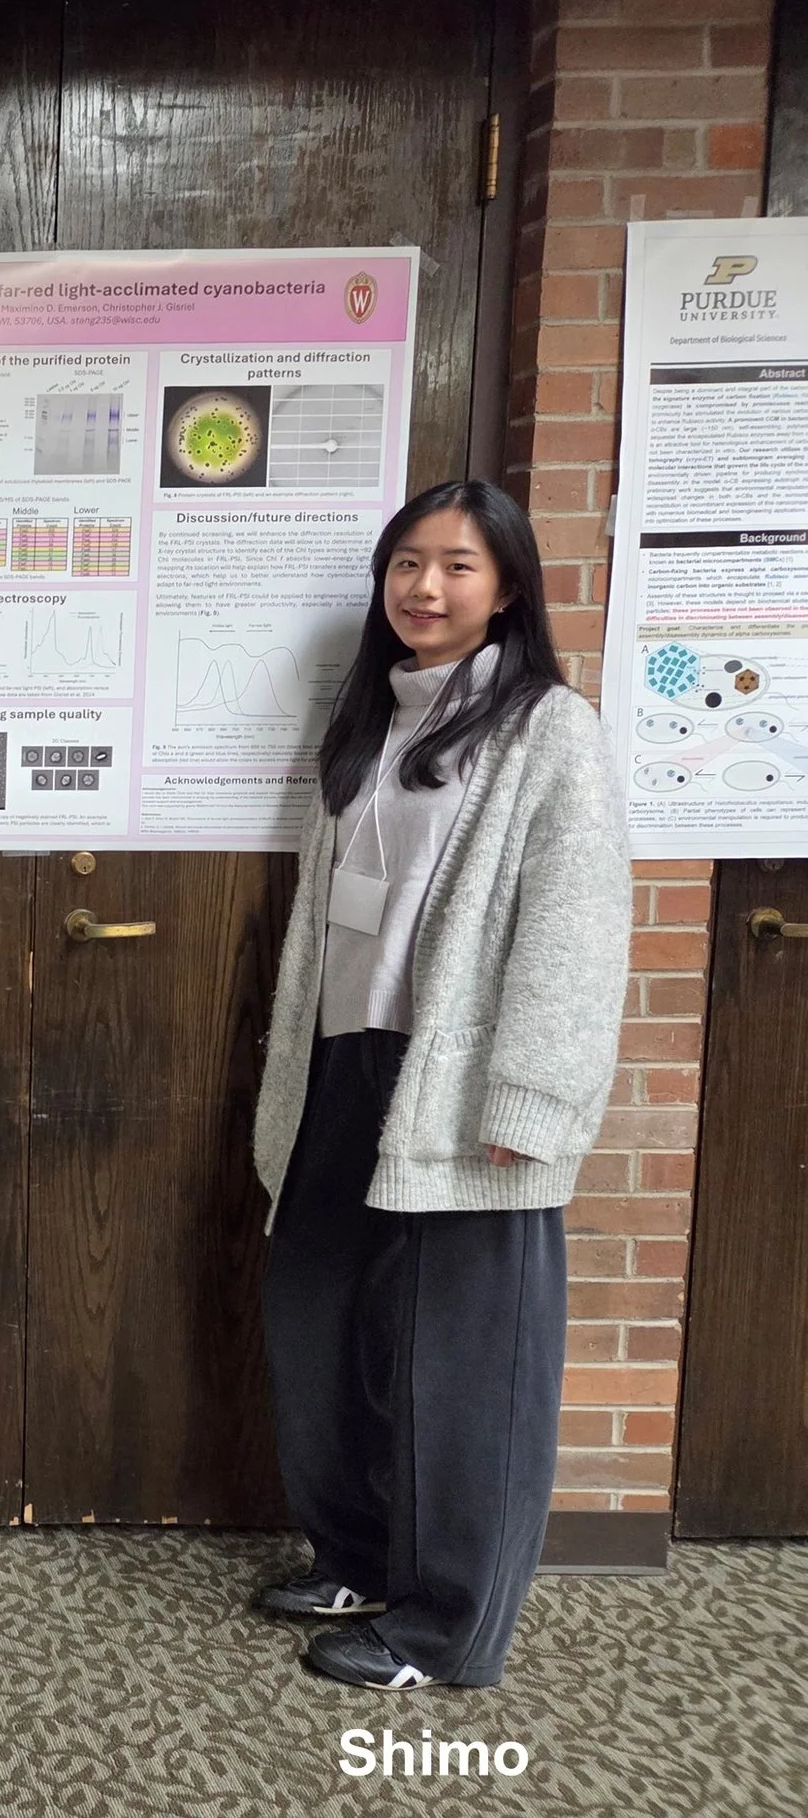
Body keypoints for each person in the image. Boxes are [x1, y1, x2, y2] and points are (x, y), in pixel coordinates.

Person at [249, 478, 628, 1691]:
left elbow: (576, 924)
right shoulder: (374, 717)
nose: (425, 587)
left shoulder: (546, 730)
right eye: (407, 563)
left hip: (461, 1084)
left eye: (458, 566)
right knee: (317, 1324)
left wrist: (532, 1097)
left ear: (507, 586)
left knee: (464, 1368)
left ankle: (448, 1629)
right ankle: (358, 1555)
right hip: (344, 1065)